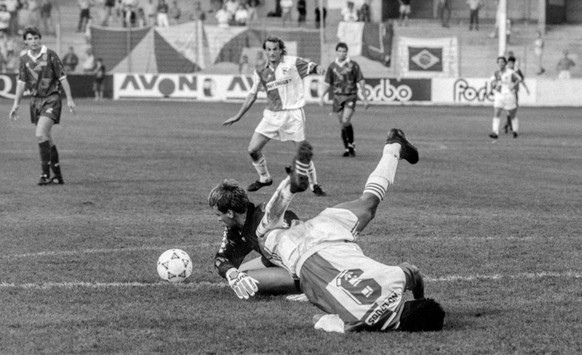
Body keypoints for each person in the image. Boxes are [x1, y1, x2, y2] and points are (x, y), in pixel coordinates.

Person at [247, 129, 444, 332]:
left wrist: (420, 297)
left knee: (368, 202)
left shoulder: (396, 279)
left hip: (333, 235)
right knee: (265, 233)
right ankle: (287, 190)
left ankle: (393, 148)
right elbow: (317, 319)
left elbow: (414, 274)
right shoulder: (357, 324)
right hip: (299, 252)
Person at [223, 36, 327, 197]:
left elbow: (312, 67)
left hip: (293, 114)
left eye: (275, 49)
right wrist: (238, 116)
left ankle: (315, 185)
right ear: (265, 51)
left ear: (281, 50)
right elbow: (252, 95)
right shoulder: (260, 70)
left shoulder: (292, 63)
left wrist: (319, 69)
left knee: (302, 152)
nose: (272, 53)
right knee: (252, 149)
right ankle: (265, 178)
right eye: (269, 49)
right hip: (272, 115)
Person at [208, 180, 302, 299]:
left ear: (230, 213)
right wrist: (232, 273)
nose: (218, 220)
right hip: (276, 261)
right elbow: (223, 258)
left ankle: (307, 288)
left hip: (304, 267)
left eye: (218, 215)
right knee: (240, 276)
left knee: (249, 280)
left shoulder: (265, 221)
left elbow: (301, 249)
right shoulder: (239, 227)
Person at [8, 27, 76, 186]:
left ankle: (45, 174)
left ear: (40, 39)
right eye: (30, 39)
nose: (34, 41)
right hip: (35, 101)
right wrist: (15, 104)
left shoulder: (50, 55)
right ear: (25, 41)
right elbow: (21, 83)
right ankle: (58, 176)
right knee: (47, 138)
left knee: (40, 134)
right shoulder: (24, 59)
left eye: (36, 38)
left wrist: (70, 99)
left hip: (52, 99)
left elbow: (63, 78)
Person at [319, 42, 369, 157]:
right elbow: (328, 83)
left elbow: (361, 81)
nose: (342, 53)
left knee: (346, 119)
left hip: (350, 95)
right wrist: (322, 96)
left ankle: (351, 145)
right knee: (342, 123)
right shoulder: (332, 66)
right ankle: (348, 148)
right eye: (340, 51)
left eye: (344, 51)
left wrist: (365, 99)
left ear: (347, 52)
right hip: (337, 98)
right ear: (336, 52)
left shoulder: (353, 65)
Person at [488, 56, 522, 139]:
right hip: (499, 95)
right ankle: (495, 133)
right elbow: (492, 81)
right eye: (499, 62)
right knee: (496, 113)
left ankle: (515, 131)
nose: (500, 63)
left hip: (509, 95)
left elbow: (519, 79)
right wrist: (493, 86)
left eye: (502, 62)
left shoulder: (510, 72)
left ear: (505, 63)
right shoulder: (496, 73)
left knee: (512, 114)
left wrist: (513, 85)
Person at [503, 56, 529, 137]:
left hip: (515, 92)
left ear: (514, 63)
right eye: (509, 63)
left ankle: (508, 124)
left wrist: (526, 88)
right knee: (510, 109)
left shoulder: (516, 71)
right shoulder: (506, 71)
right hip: (507, 93)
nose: (511, 64)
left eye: (512, 63)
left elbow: (521, 80)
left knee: (513, 109)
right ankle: (509, 125)